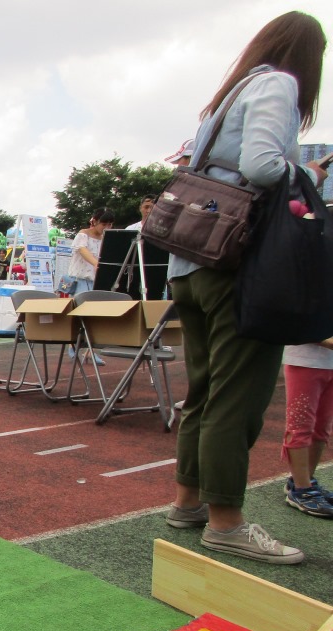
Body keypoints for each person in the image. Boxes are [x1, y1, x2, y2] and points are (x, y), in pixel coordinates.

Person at [164, 11, 328, 565]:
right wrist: (305, 177)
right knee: (237, 398)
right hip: (233, 268)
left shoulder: (230, 94)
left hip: (190, 262)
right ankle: (227, 521)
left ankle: (188, 502)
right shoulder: (281, 84)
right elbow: (261, 166)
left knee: (204, 392)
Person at [281, 340, 333, 518]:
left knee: (322, 427)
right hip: (304, 361)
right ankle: (302, 489)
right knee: (300, 426)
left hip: (329, 362)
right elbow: (297, 321)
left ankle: (305, 481)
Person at [67, 207, 115, 365]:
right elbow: (82, 250)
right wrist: (97, 264)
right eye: (104, 224)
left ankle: (90, 351)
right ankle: (72, 346)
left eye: (110, 225)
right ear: (94, 221)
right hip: (80, 279)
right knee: (78, 315)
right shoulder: (83, 235)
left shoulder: (107, 239)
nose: (107, 228)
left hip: (96, 281)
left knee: (97, 317)